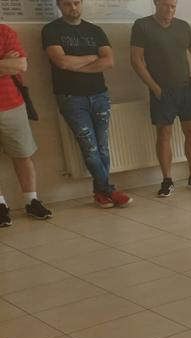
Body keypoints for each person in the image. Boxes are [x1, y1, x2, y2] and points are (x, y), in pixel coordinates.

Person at [44, 0, 131, 208]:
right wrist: (92, 58)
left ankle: (100, 194)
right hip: (71, 98)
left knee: (103, 148)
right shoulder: (51, 30)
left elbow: (108, 61)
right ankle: (109, 190)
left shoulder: (95, 30)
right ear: (59, 5)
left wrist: (76, 65)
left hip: (99, 95)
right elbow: (61, 62)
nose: (73, 8)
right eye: (67, 4)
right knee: (90, 148)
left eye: (76, 2)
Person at [130, 0, 191, 197]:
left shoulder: (183, 26)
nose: (169, 10)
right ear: (155, 3)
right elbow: (136, 60)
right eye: (165, 5)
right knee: (164, 133)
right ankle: (167, 180)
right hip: (161, 90)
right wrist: (155, 88)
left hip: (185, 88)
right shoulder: (142, 26)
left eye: (173, 6)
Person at [0, 24, 53, 225]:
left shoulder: (4, 31)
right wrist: (4, 62)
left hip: (12, 105)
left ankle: (32, 201)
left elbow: (20, 65)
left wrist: (11, 63)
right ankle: (0, 205)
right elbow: (11, 65)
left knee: (23, 154)